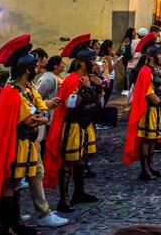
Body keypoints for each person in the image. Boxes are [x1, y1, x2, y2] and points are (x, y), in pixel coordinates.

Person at [0, 34, 49, 235]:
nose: (37, 70)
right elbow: (29, 120)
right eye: (34, 67)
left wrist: (40, 116)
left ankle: (15, 225)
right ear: (27, 70)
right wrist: (40, 118)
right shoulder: (13, 93)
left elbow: (38, 111)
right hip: (15, 145)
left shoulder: (24, 89)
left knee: (14, 185)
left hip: (23, 144)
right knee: (9, 185)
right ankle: (6, 229)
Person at [44, 34, 102, 213]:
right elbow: (70, 106)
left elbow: (97, 102)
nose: (95, 63)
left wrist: (97, 86)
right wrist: (85, 89)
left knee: (81, 160)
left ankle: (79, 192)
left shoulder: (89, 78)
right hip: (73, 125)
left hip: (85, 124)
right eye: (92, 60)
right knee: (68, 162)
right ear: (82, 63)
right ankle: (64, 199)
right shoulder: (71, 80)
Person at [123, 33, 161, 181]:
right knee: (147, 140)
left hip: (158, 109)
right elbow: (148, 93)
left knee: (153, 139)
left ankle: (150, 166)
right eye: (158, 54)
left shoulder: (159, 70)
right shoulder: (145, 71)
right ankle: (145, 169)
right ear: (151, 57)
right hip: (148, 110)